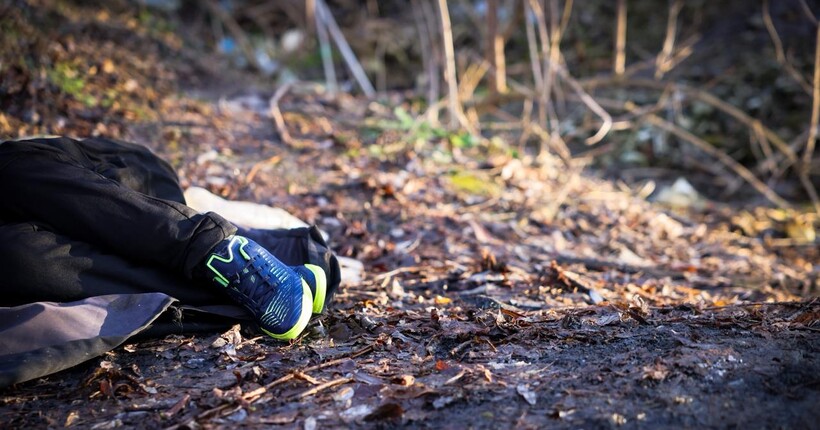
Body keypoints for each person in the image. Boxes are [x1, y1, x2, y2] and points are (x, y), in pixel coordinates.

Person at [0, 136, 341, 341]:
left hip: (126, 182)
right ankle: (232, 287)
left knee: (10, 170)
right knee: (15, 258)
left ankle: (217, 250)